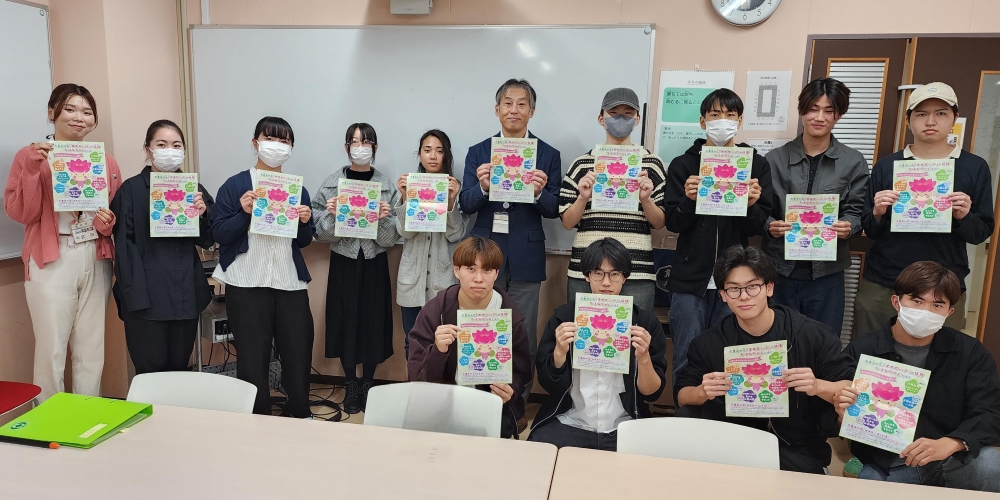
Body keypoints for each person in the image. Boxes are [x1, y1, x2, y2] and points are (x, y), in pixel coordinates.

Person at [674, 245, 854, 473]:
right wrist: (702, 391)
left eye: (753, 286)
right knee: (687, 416)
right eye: (734, 289)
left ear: (769, 288)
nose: (744, 296)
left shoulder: (811, 335)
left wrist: (817, 386)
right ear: (723, 295)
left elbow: (850, 387)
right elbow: (682, 395)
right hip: (735, 442)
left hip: (797, 446)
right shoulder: (709, 343)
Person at [835, 261, 1000, 491]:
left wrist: (952, 442)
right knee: (869, 485)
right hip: (891, 463)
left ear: (949, 312)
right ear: (896, 302)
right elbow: (833, 418)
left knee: (992, 464)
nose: (925, 312)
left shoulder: (971, 352)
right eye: (917, 301)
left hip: (952, 458)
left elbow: (989, 412)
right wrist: (841, 414)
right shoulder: (863, 350)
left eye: (937, 305)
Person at [4, 83, 122, 401]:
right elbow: (21, 212)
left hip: (95, 254)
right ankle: (50, 417)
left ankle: (88, 413)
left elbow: (114, 215)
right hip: (51, 256)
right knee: (51, 347)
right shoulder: (31, 156)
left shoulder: (105, 161)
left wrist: (106, 223)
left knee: (91, 347)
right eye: (70, 109)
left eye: (87, 111)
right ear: (51, 112)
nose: (79, 117)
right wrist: (32, 168)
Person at [855, 82, 995, 336]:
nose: (930, 121)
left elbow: (981, 232)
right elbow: (870, 229)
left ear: (954, 118)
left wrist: (963, 215)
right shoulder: (888, 166)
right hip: (885, 281)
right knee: (873, 351)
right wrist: (877, 212)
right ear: (909, 121)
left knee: (940, 354)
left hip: (944, 285)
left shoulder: (974, 167)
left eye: (941, 113)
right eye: (921, 114)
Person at [460, 78, 562, 408]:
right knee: (482, 328)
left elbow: (554, 209)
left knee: (523, 333)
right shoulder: (479, 151)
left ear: (532, 111)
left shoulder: (548, 154)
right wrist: (483, 187)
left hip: (526, 254)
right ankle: (479, 401)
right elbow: (466, 204)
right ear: (497, 110)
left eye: (521, 104)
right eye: (507, 103)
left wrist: (539, 193)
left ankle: (516, 404)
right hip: (484, 256)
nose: (514, 110)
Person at [662, 88, 773, 378]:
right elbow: (672, 223)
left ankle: (721, 408)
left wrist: (751, 205)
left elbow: (758, 227)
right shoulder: (683, 164)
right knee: (686, 357)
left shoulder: (755, 164)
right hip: (689, 279)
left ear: (739, 121)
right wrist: (689, 200)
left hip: (737, 280)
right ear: (703, 121)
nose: (722, 121)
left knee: (730, 359)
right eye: (715, 115)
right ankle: (686, 405)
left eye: (730, 115)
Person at [212, 116, 315, 418]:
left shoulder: (297, 190)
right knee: (252, 357)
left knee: (297, 351)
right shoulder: (235, 185)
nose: (277, 146)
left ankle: (299, 413)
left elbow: (303, 241)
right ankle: (258, 420)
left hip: (288, 281)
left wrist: (305, 222)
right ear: (255, 143)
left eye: (284, 141)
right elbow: (219, 233)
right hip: (246, 281)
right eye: (270, 139)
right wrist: (244, 213)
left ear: (291, 148)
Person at [530, 237, 667, 450]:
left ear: (625, 277)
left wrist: (644, 358)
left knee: (657, 456)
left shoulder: (644, 323)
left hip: (625, 424)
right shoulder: (564, 317)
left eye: (614, 274)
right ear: (586, 276)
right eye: (598, 273)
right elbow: (549, 385)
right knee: (537, 447)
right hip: (571, 420)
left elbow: (652, 393)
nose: (606, 282)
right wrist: (559, 352)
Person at [762, 78, 869, 336]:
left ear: (838, 115)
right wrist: (769, 226)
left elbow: (857, 211)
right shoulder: (774, 159)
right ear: (802, 111)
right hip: (780, 270)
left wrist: (849, 226)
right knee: (777, 340)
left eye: (828, 111)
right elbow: (759, 210)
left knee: (824, 342)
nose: (819, 117)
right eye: (813, 109)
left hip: (827, 273)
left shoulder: (853, 162)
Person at [111, 119, 214, 374]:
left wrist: (203, 214)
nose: (170, 150)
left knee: (179, 371)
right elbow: (124, 248)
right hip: (145, 301)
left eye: (176, 145)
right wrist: (135, 298)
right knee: (150, 374)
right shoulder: (131, 190)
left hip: (185, 296)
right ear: (148, 149)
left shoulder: (194, 189)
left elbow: (208, 240)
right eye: (162, 144)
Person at [407, 236, 531, 438]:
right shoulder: (436, 311)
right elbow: (416, 373)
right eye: (470, 269)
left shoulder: (509, 315)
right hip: (443, 400)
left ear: (496, 273)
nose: (479, 278)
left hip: (490, 402)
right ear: (456, 270)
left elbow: (522, 370)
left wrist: (511, 388)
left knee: (497, 432)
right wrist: (438, 350)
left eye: (487, 270)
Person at [313, 123, 400, 414]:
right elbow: (319, 234)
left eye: (366, 142)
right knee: (345, 319)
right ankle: (351, 382)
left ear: (375, 148)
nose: (360, 147)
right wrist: (331, 214)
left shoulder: (387, 187)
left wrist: (384, 219)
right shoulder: (331, 184)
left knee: (374, 321)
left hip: (374, 261)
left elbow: (390, 239)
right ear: (346, 147)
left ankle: (368, 383)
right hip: (344, 260)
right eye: (354, 142)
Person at [559, 88, 666, 311]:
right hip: (587, 270)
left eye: (628, 113)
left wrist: (646, 199)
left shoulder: (652, 164)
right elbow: (567, 222)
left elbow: (659, 223)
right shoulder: (582, 164)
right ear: (601, 118)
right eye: (614, 113)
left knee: (637, 330)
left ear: (637, 119)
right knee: (583, 331)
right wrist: (583, 198)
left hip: (636, 270)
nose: (621, 118)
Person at [395, 129, 466, 359]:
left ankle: (438, 383)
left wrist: (451, 201)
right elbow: (405, 232)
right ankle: (415, 382)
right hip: (411, 281)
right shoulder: (410, 186)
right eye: (427, 150)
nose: (433, 156)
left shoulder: (455, 187)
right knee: (412, 341)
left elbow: (455, 235)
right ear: (420, 154)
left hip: (443, 282)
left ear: (446, 155)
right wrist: (405, 198)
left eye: (439, 150)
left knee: (444, 344)